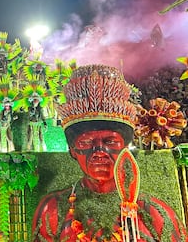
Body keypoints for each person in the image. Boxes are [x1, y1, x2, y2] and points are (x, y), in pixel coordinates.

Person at [32, 64, 187, 241]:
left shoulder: (154, 213)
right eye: (87, 142)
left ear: (125, 149)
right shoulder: (52, 209)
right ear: (73, 151)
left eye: (110, 141)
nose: (99, 152)